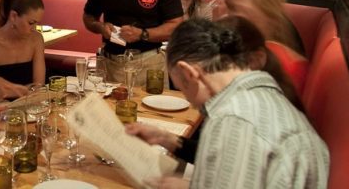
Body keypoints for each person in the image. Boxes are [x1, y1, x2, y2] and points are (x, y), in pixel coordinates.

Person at [129, 19, 329, 188]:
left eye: (182, 87)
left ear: (189, 73)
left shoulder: (235, 119)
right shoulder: (260, 98)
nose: (189, 101)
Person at [226, 0, 306, 56]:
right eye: (234, 9)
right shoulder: (248, 49)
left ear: (272, 18)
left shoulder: (277, 59)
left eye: (245, 11)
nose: (234, 17)